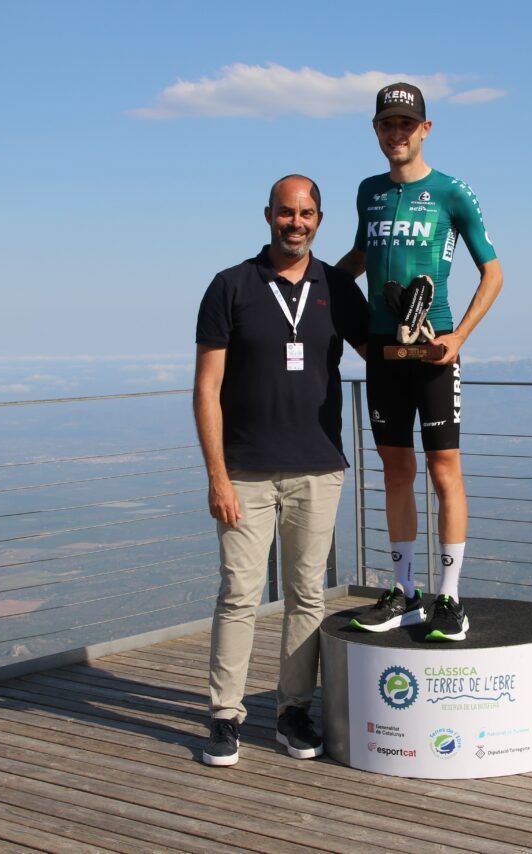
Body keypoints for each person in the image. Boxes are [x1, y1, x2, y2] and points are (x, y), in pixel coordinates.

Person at [193, 174, 367, 766]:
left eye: (307, 214)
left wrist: (438, 337)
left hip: (318, 468)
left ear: (320, 219)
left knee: (305, 597)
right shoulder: (230, 286)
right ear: (268, 214)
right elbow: (207, 387)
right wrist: (216, 475)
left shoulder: (338, 287)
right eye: (286, 212)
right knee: (239, 594)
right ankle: (225, 715)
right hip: (243, 471)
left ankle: (293, 712)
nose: (296, 223)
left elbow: (384, 351)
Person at [338, 82, 503, 642]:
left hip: (435, 352)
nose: (397, 133)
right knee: (395, 470)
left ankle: (449, 599)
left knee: (443, 470)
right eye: (388, 124)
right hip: (384, 354)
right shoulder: (368, 192)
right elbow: (362, 255)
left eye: (407, 124)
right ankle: (405, 592)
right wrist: (321, 286)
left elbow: (494, 270)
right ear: (376, 130)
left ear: (425, 129)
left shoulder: (453, 192)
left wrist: (460, 336)